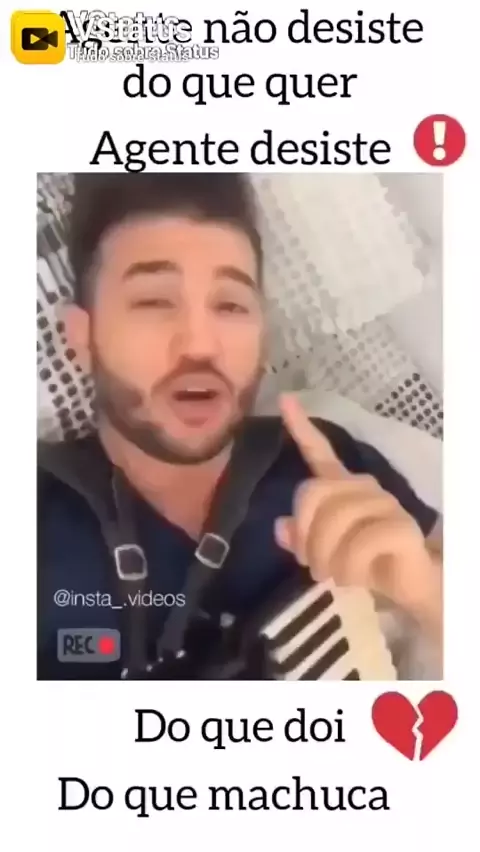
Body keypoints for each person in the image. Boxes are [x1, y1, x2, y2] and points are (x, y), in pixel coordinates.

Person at [37, 173, 442, 680]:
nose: (201, 344)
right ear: (81, 337)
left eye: (231, 305)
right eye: (154, 302)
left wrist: (430, 596)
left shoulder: (331, 466)